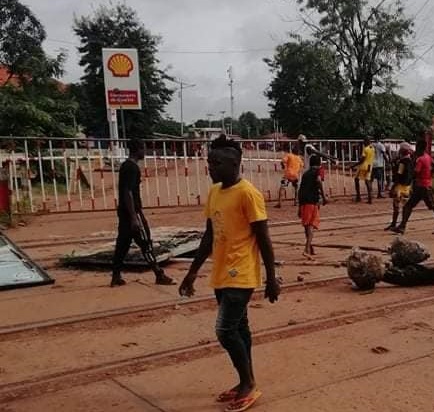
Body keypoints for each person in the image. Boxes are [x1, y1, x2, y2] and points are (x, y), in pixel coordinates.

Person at [179, 138, 281, 411]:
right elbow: (209, 235)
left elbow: (264, 238)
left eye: (216, 163)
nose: (210, 168)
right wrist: (192, 272)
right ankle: (245, 381)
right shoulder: (214, 192)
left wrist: (271, 277)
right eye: (209, 163)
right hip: (221, 270)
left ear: (235, 164)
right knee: (239, 328)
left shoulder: (249, 194)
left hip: (242, 271)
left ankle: (248, 383)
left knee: (224, 330)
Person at [111, 139, 174, 287]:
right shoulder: (132, 168)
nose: (144, 153)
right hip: (133, 212)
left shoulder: (126, 166)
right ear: (138, 149)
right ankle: (159, 274)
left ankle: (116, 275)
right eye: (143, 149)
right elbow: (128, 192)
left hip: (124, 211)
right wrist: (134, 217)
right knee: (145, 242)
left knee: (123, 244)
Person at [392, 139, 434, 235]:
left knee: (431, 206)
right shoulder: (428, 157)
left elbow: (415, 173)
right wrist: (429, 175)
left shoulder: (420, 159)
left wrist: (412, 179)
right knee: (410, 206)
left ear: (419, 147)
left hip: (422, 187)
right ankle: (402, 226)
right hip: (425, 185)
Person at [298, 155, 328, 258]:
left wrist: (299, 206)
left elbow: (300, 189)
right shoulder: (319, 171)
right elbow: (319, 180)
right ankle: (306, 248)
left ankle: (310, 247)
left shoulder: (305, 174)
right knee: (311, 226)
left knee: (307, 227)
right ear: (319, 163)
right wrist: (324, 197)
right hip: (312, 202)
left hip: (303, 201)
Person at [384, 142, 413, 231]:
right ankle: (402, 224)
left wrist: (393, 186)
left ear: (402, 151)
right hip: (407, 187)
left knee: (396, 207)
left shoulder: (402, 162)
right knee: (405, 207)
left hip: (400, 187)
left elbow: (399, 175)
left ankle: (394, 224)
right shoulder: (411, 161)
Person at [352, 136, 375, 203]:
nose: (363, 143)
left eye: (364, 141)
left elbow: (362, 160)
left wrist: (354, 165)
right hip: (369, 166)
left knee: (356, 179)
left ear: (366, 141)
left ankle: (358, 196)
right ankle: (370, 198)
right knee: (367, 181)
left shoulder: (365, 149)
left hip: (363, 166)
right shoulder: (372, 148)